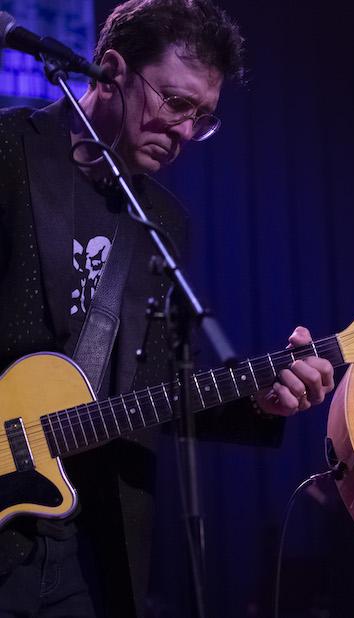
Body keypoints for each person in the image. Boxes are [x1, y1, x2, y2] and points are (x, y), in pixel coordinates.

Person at [0, 1, 334, 616]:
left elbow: (148, 393)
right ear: (110, 70)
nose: (184, 131)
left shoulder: (164, 221)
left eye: (202, 118)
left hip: (78, 538)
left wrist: (258, 399)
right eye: (175, 103)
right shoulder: (9, 153)